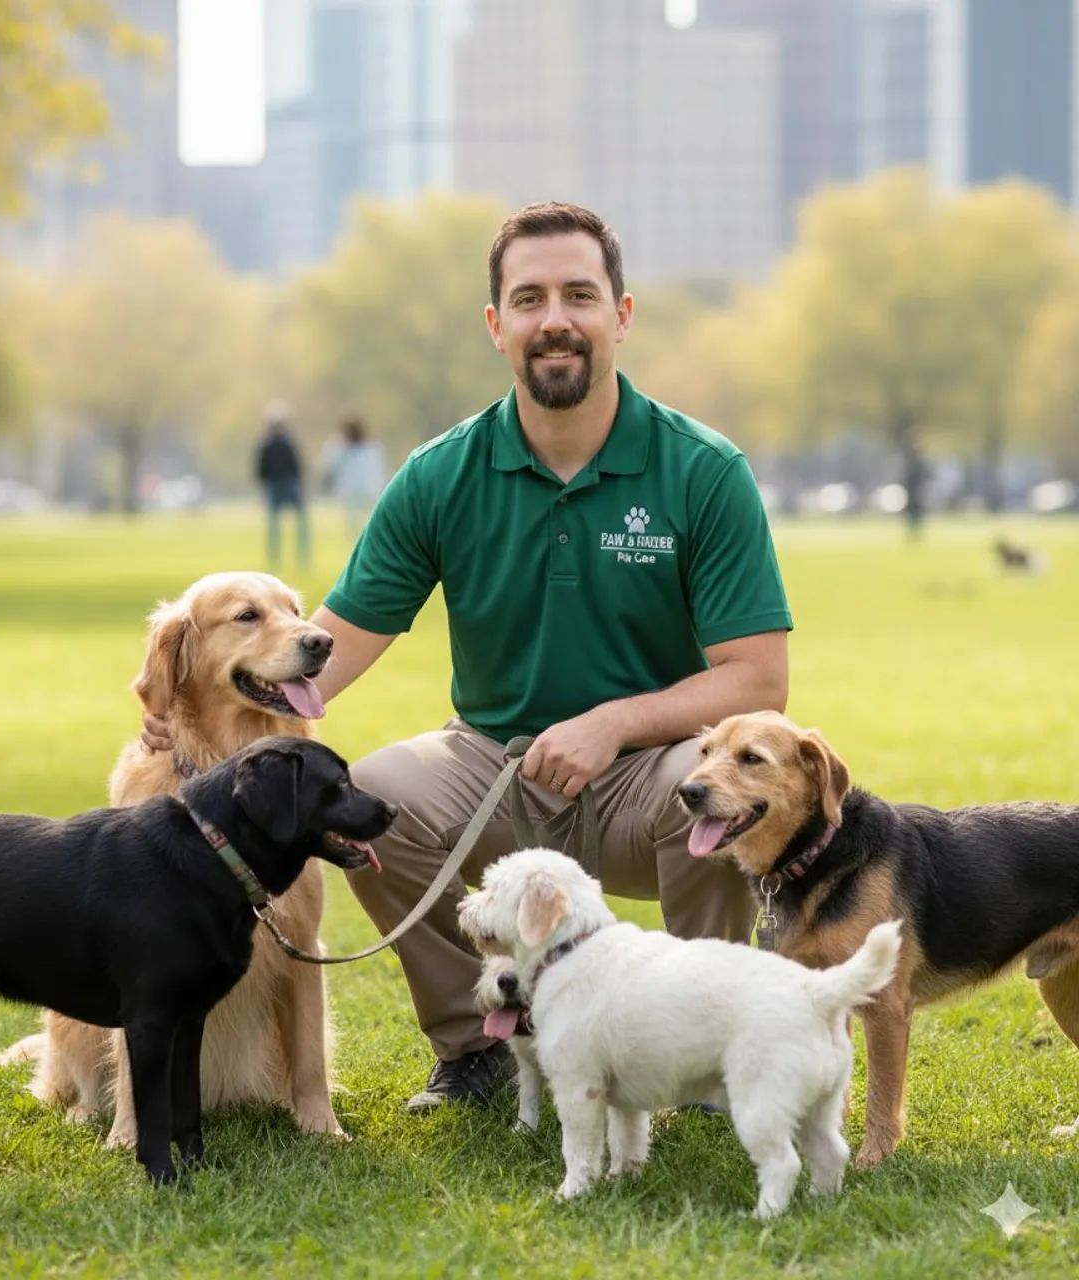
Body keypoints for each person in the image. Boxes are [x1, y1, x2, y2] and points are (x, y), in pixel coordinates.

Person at [147, 202, 791, 1114]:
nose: (554, 318)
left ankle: (706, 1050)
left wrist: (610, 724)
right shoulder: (441, 475)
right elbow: (323, 654)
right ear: (497, 326)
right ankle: (481, 1045)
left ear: (622, 314)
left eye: (579, 294)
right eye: (529, 299)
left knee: (728, 783)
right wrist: (181, 708)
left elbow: (758, 681)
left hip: (651, 775)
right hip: (489, 766)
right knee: (373, 792)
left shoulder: (703, 470)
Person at [254, 402, 310, 569]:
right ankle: (284, 559)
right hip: (283, 485)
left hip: (283, 485)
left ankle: (297, 559)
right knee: (281, 526)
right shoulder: (278, 444)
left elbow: (261, 471)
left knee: (280, 526)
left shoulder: (270, 444)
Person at [322, 415, 387, 536]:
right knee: (357, 524)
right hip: (360, 489)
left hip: (366, 489)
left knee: (364, 522)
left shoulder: (370, 446)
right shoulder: (340, 447)